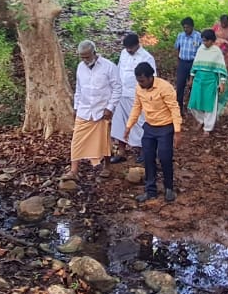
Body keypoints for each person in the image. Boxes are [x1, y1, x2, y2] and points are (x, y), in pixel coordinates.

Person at [123, 62, 183, 203]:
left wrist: (177, 132)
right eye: (138, 81)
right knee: (148, 158)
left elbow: (175, 109)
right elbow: (136, 107)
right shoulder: (139, 88)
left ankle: (169, 188)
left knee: (165, 158)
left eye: (143, 81)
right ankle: (150, 191)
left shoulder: (165, 87)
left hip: (165, 128)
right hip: (149, 127)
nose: (141, 84)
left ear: (151, 77)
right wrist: (128, 126)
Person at [63, 40, 119, 180]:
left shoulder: (108, 66)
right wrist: (76, 107)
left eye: (87, 56)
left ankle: (107, 166)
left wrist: (110, 107)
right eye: (82, 57)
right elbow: (79, 89)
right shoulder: (80, 67)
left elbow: (117, 88)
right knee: (76, 140)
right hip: (84, 110)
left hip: (102, 111)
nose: (84, 60)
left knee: (104, 140)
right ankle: (74, 171)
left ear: (94, 53)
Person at [110, 32, 155, 163]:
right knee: (120, 123)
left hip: (137, 96)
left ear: (137, 45)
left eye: (131, 48)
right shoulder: (124, 53)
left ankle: (143, 151)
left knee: (139, 123)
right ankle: (121, 152)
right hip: (121, 94)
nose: (129, 50)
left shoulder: (147, 57)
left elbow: (152, 78)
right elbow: (119, 70)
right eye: (127, 48)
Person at [187, 29, 228, 134]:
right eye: (203, 41)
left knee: (210, 105)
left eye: (206, 41)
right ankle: (201, 120)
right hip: (198, 80)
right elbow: (195, 65)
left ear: (212, 41)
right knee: (193, 104)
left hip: (210, 81)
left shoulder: (217, 51)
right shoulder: (200, 49)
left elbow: (222, 69)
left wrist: (222, 83)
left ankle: (208, 128)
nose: (204, 43)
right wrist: (191, 79)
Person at [173, 17, 201, 107]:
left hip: (193, 63)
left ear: (192, 27)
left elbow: (201, 51)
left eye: (187, 27)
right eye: (184, 27)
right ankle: (179, 107)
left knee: (193, 85)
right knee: (180, 85)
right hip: (182, 63)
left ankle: (193, 106)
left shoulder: (198, 36)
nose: (186, 29)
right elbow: (178, 48)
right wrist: (178, 60)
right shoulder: (180, 35)